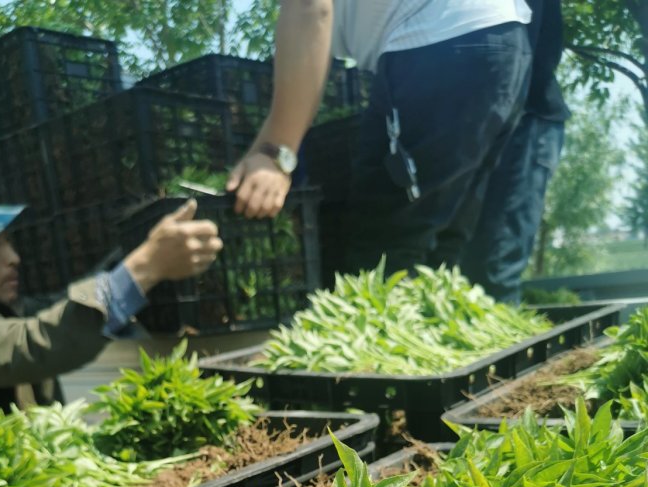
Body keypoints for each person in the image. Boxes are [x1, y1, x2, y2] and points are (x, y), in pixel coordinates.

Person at [227, 0, 534, 277]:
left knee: (383, 256)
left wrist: (275, 154)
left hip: (439, 44)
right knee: (441, 254)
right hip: (503, 44)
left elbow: (309, 7)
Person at [0, 182, 223, 421]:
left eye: (8, 241)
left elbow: (54, 308)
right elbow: (33, 341)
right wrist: (145, 267)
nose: (13, 257)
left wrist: (137, 252)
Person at [461, 0, 569, 303]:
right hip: (493, 122)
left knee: (494, 266)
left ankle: (502, 347)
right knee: (469, 266)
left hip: (526, 117)